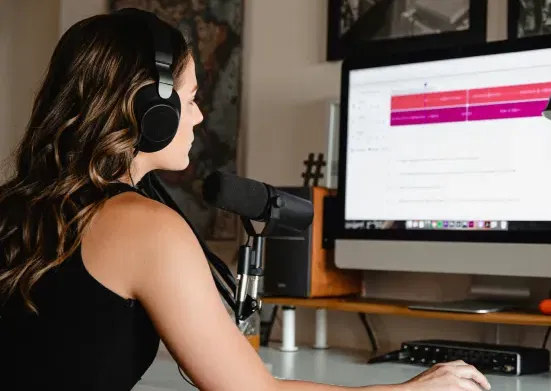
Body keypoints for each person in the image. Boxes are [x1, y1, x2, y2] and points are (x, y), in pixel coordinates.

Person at [0, 9, 491, 391]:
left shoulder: (18, 205)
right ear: (151, 111)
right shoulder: (144, 226)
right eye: (190, 99)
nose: (198, 116)